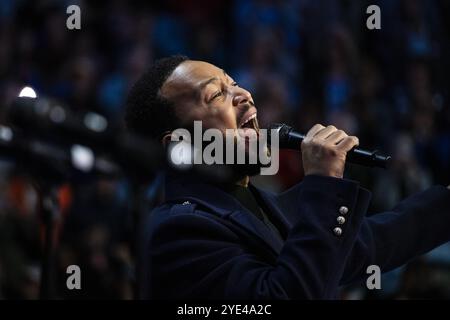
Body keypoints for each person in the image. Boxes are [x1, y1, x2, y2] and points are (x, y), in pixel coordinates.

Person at [125, 55, 450, 299]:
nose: (244, 94)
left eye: (233, 82)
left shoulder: (268, 208)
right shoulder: (176, 231)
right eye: (215, 95)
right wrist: (323, 185)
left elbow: (372, 242)